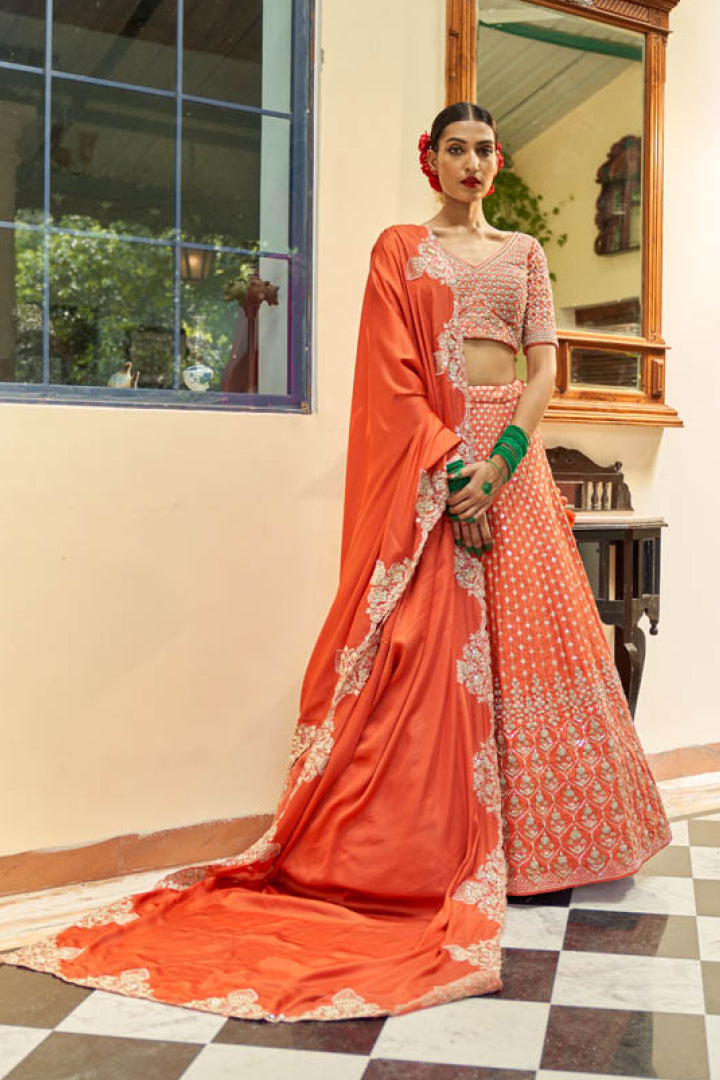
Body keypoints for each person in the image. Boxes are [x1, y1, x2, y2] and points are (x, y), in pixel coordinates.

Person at [0, 102, 670, 1022]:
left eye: (485, 149)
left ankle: (546, 850)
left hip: (510, 461)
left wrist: (503, 463)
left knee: (539, 654)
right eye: (455, 149)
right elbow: (392, 378)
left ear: (498, 161)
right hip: (438, 461)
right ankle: (435, 850)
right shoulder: (399, 248)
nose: (472, 163)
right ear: (429, 160)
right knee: (424, 662)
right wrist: (448, 471)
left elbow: (545, 368)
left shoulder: (524, 253)